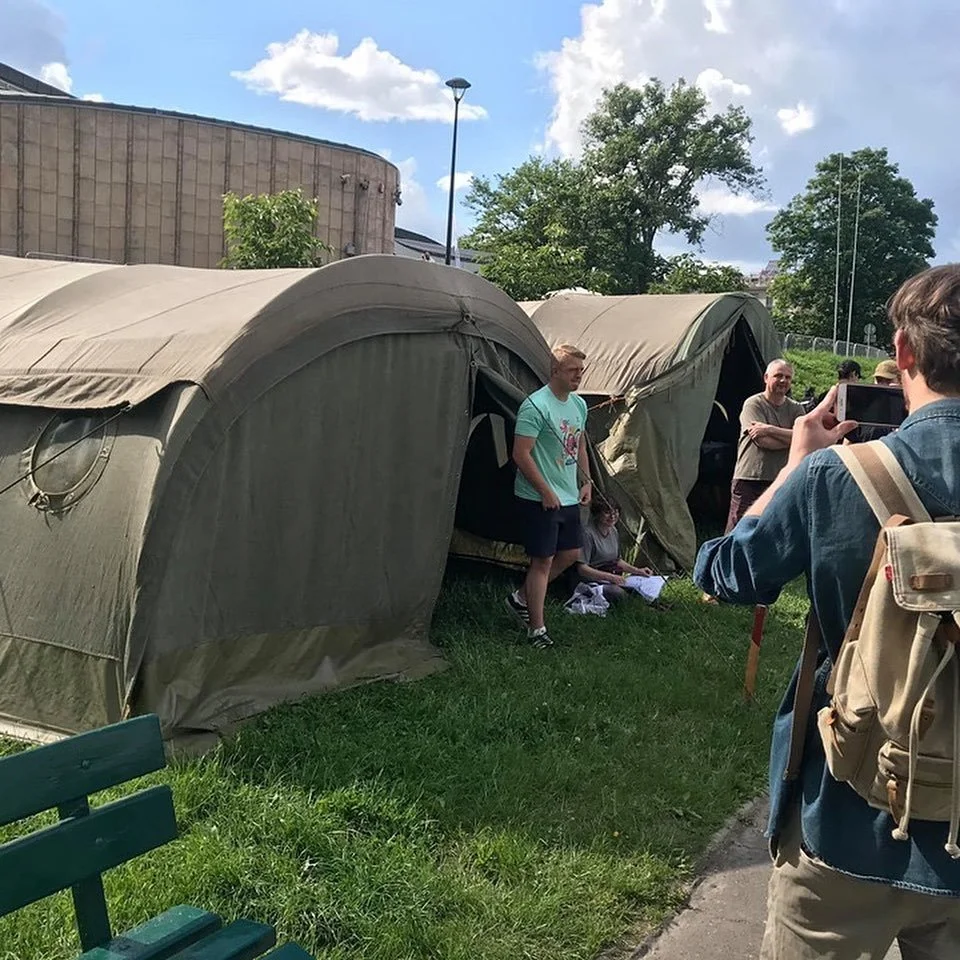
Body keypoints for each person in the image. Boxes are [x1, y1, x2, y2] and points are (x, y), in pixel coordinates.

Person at [694, 264, 960, 958]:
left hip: (846, 816)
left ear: (902, 353)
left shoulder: (834, 476)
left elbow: (725, 574)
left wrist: (794, 468)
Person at [505, 344, 592, 648]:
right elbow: (521, 453)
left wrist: (586, 481)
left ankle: (519, 598)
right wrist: (544, 490)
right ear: (555, 370)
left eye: (581, 371)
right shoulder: (535, 406)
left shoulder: (578, 405)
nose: (578, 377)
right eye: (572, 371)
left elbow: (579, 446)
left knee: (569, 554)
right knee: (543, 561)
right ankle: (536, 630)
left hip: (568, 495)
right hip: (538, 496)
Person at [569, 499, 655, 605]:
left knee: (643, 587)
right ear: (597, 514)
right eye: (607, 512)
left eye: (615, 512)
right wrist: (610, 577)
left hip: (609, 576)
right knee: (617, 593)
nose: (612, 516)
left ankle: (654, 605)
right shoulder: (587, 534)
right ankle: (638, 606)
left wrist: (637, 571)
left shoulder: (613, 531)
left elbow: (616, 560)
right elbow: (582, 569)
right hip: (589, 580)